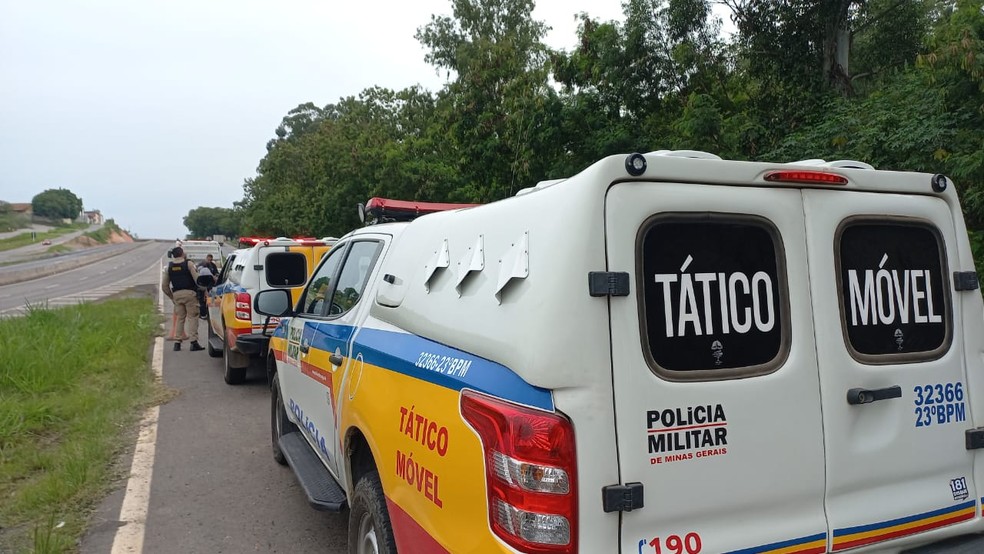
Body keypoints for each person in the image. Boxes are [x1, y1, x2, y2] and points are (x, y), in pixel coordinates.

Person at [162, 246, 205, 351]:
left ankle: (177, 343)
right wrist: (205, 289)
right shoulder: (188, 264)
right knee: (192, 317)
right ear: (182, 253)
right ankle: (193, 342)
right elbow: (197, 280)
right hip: (190, 294)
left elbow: (164, 286)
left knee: (180, 319)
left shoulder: (169, 267)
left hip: (177, 294)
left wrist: (172, 297)